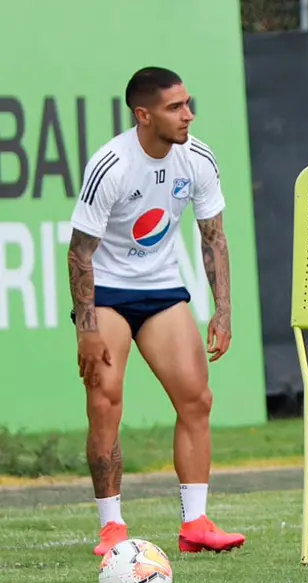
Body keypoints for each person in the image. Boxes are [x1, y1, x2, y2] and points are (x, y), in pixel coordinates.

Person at [68, 66, 246, 557]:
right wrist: (87, 328)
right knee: (105, 402)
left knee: (197, 400)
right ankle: (112, 526)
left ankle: (196, 524)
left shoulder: (199, 158)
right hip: (107, 295)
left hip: (163, 290)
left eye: (189, 104)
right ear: (143, 115)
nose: (188, 115)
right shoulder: (111, 165)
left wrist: (223, 310)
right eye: (175, 107)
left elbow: (214, 236)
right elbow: (80, 252)